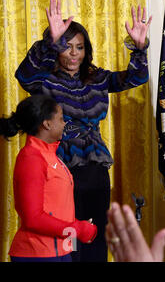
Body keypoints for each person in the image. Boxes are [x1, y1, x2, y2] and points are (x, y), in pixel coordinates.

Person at [15, 0, 152, 262]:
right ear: (57, 50)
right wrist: (48, 43)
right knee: (67, 237)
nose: (74, 53)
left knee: (94, 235)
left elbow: (137, 77)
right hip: (59, 170)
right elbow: (24, 76)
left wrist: (139, 48)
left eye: (79, 47)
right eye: (67, 47)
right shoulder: (45, 80)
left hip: (95, 170)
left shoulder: (97, 78)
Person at [0, 95, 97, 262]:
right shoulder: (31, 157)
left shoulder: (51, 155)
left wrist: (78, 229)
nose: (64, 123)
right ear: (47, 124)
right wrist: (78, 229)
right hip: (37, 254)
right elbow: (33, 218)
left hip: (61, 251)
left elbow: (57, 208)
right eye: (60, 119)